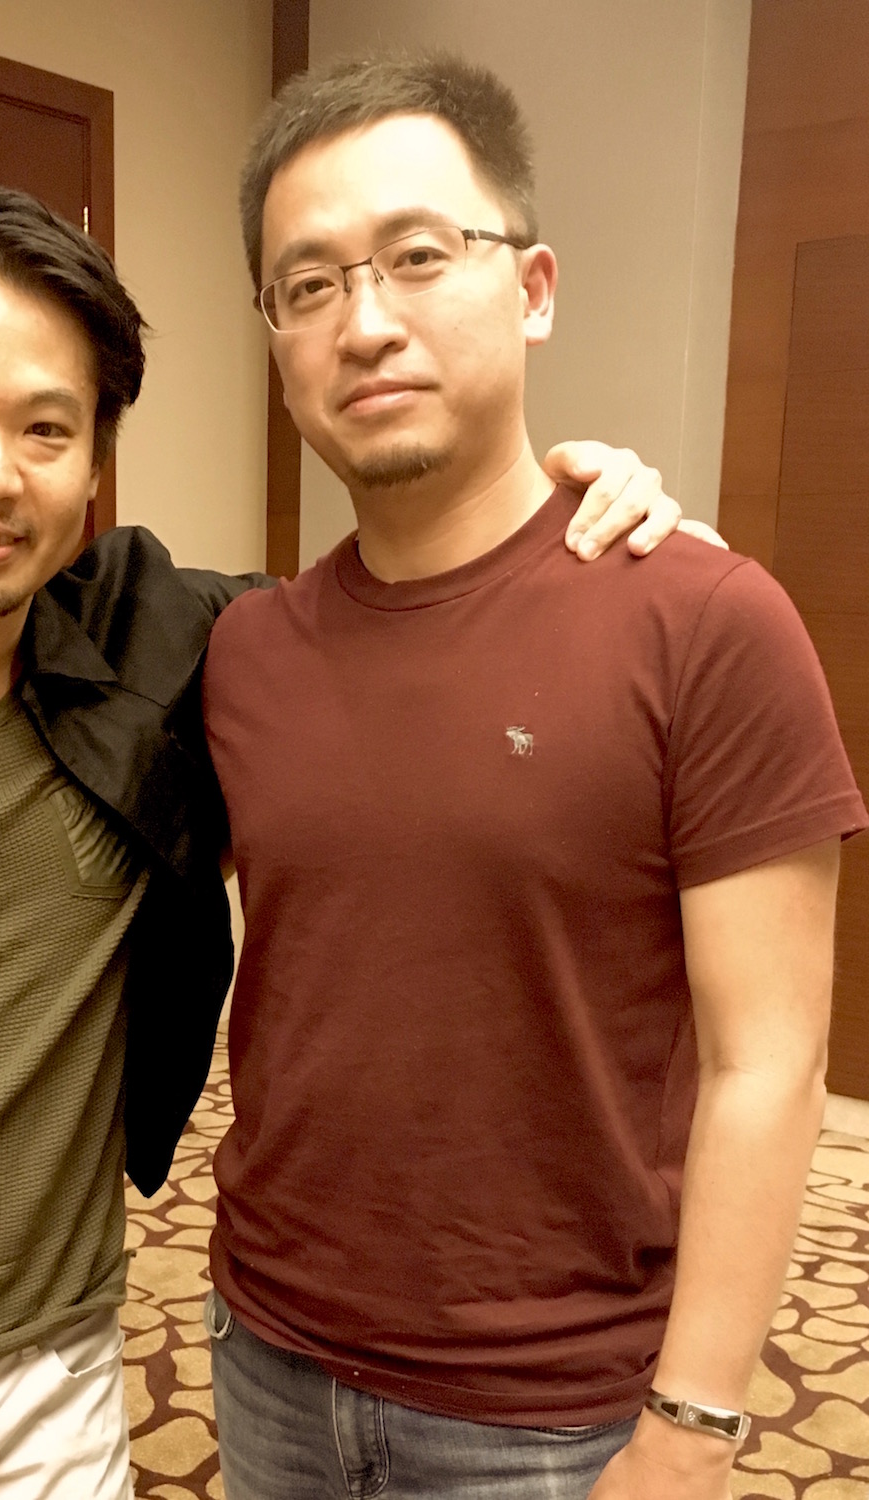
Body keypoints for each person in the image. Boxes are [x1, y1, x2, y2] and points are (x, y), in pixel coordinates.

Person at [0, 182, 689, 1500]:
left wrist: (589, 535)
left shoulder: (173, 648)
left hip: (57, 1384)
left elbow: (403, 610)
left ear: (94, 460)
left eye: (48, 428)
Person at [201, 52, 868, 1500]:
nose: (365, 321)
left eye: (418, 255)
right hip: (263, 1357)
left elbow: (768, 1065)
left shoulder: (704, 621)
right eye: (307, 285)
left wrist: (693, 1424)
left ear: (534, 287)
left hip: (554, 1415)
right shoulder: (242, 651)